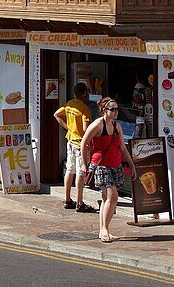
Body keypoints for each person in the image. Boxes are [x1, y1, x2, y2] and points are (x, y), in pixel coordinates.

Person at [81, 96, 133, 243]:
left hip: (115, 165)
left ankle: (104, 229)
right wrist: (85, 164)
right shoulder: (97, 125)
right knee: (113, 196)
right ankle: (104, 230)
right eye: (113, 109)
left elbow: (122, 147)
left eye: (117, 109)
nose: (116, 112)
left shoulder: (117, 126)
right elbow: (84, 143)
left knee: (106, 198)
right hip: (101, 165)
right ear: (104, 110)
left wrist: (131, 163)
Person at [54, 82, 92, 212]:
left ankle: (68, 199)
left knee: (69, 170)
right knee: (81, 172)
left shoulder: (69, 104)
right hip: (80, 143)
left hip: (70, 141)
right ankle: (80, 202)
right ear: (84, 93)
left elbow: (56, 115)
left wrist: (68, 127)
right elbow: (86, 129)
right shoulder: (84, 109)